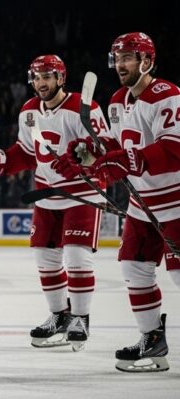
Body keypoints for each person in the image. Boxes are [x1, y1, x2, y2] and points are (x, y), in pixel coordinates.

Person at [58, 33, 180, 371]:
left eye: (127, 57)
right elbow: (112, 146)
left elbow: (174, 148)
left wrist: (126, 161)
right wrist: (86, 155)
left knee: (178, 274)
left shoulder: (167, 95)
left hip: (176, 201)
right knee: (134, 267)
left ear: (147, 61)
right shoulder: (116, 101)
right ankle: (152, 340)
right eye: (117, 58)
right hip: (142, 205)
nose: (120, 64)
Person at [0, 55, 107, 351]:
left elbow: (104, 150)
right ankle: (60, 316)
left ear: (61, 78)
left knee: (77, 257)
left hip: (82, 194)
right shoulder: (29, 111)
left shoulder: (83, 108)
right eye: (36, 77)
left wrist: (82, 161)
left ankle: (80, 318)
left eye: (47, 76)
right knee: (45, 259)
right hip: (46, 194)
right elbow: (25, 151)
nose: (41, 83)